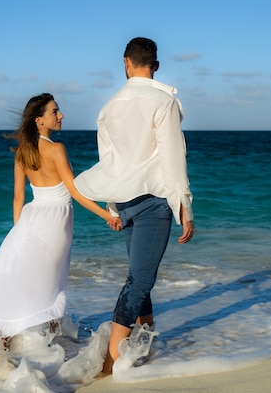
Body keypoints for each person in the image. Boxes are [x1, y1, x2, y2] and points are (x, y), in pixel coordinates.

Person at [74, 37, 194, 373]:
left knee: (140, 276)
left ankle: (146, 339)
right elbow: (174, 158)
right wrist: (185, 208)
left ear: (126, 62)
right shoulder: (163, 101)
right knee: (140, 280)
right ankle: (113, 359)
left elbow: (108, 161)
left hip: (124, 203)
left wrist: (112, 208)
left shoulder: (109, 105)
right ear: (155, 65)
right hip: (154, 202)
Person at [0, 93, 120, 342]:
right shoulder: (57, 149)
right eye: (55, 112)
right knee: (51, 283)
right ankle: (54, 344)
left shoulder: (22, 153)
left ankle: (6, 340)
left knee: (24, 278)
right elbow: (74, 191)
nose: (61, 115)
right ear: (39, 120)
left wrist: (18, 233)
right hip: (55, 223)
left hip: (30, 221)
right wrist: (106, 214)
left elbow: (17, 198)